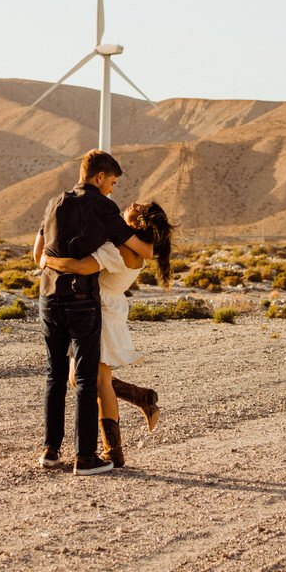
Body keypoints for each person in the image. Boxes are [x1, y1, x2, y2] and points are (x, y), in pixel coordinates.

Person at [35, 150, 152, 476]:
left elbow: (37, 254)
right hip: (81, 300)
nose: (113, 189)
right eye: (112, 182)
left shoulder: (54, 202)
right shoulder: (102, 206)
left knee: (55, 374)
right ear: (99, 177)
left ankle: (49, 449)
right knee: (86, 378)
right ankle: (85, 457)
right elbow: (142, 248)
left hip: (47, 298)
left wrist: (52, 262)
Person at [40, 201, 174, 468]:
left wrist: (48, 259)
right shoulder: (134, 248)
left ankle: (113, 451)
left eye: (140, 205)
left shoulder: (119, 249)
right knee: (78, 379)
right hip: (105, 308)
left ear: (139, 222)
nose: (133, 202)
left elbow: (81, 267)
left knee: (98, 380)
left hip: (99, 311)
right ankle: (141, 397)